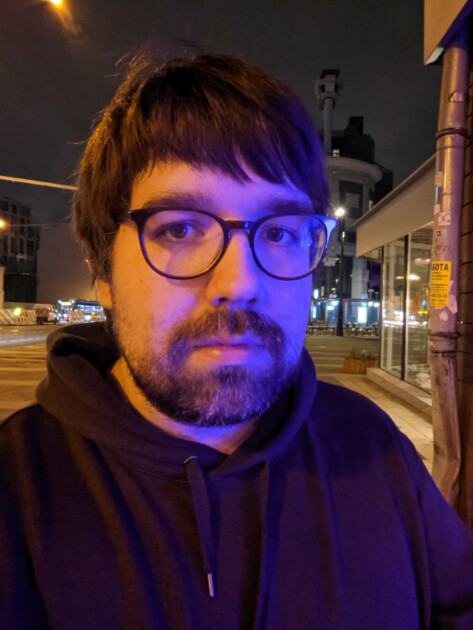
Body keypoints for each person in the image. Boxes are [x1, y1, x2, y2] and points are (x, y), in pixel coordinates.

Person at [1, 47, 473, 630]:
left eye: (279, 232)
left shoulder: (372, 447)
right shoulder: (19, 492)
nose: (241, 283)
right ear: (102, 271)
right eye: (180, 228)